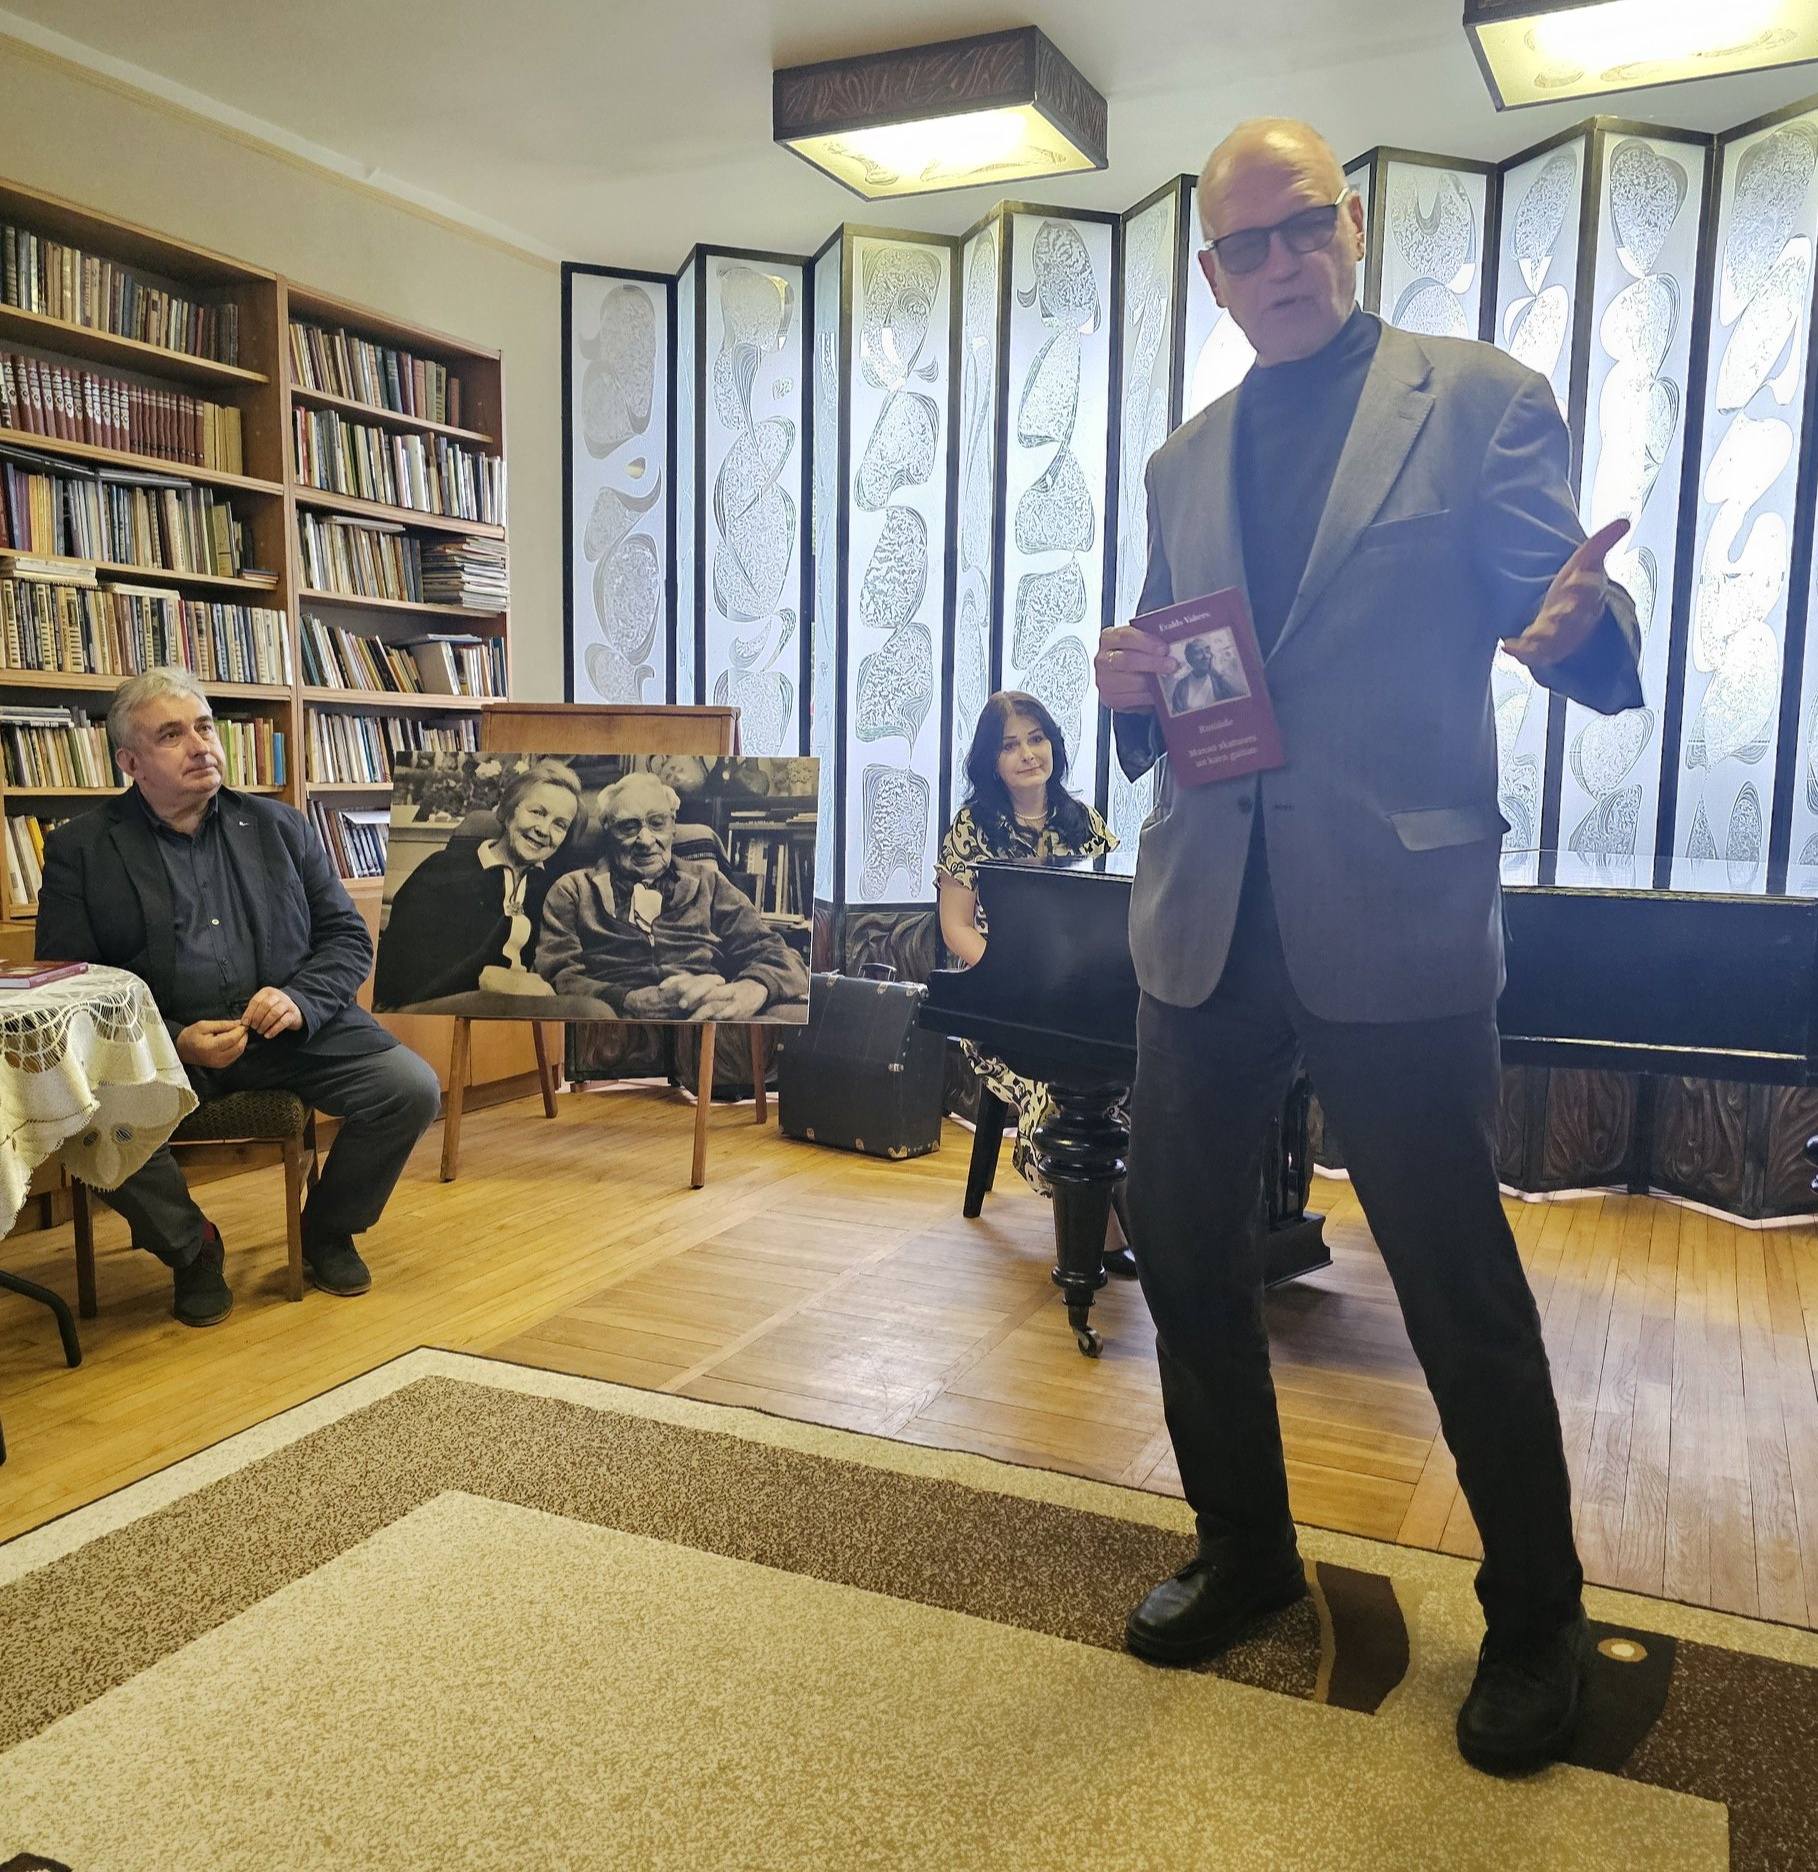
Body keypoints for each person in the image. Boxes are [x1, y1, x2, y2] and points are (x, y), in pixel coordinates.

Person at [1095, 119, 1641, 1774]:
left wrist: (1575, 638)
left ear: (1351, 226)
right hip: (1207, 913)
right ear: (1210, 275)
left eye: (1300, 229)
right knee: (1179, 1239)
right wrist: (1124, 694)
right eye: (1241, 246)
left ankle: (1534, 1617)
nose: (1276, 263)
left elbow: (1569, 603)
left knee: (1451, 1276)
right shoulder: (1180, 462)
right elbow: (1171, 680)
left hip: (1392, 913)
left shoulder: (1475, 402)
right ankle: (1246, 1550)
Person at [36, 667, 443, 1326]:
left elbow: (346, 938)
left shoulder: (281, 827)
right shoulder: (81, 849)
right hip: (158, 1051)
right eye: (173, 735)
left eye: (205, 727)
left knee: (409, 1088)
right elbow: (69, 984)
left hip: (291, 1034)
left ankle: (327, 1231)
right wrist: (175, 1038)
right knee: (82, 1114)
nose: (201, 746)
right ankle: (191, 1248)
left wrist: (300, 998)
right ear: (130, 762)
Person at [935, 693, 1132, 1271]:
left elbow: (1113, 912)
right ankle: (1099, 1239)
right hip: (1004, 1005)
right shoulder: (972, 828)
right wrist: (1015, 975)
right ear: (990, 761)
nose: (1027, 754)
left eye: (1037, 738)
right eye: (1009, 745)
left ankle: (1139, 1210)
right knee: (1062, 1088)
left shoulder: (1083, 822)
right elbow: (955, 928)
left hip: (1081, 1000)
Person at [536, 770, 809, 1019]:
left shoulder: (709, 884)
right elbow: (557, 974)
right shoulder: (574, 889)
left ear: (673, 825)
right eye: (629, 827)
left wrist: (751, 989)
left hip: (706, 1014)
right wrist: (627, 999)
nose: (646, 841)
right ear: (608, 831)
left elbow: (779, 954)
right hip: (617, 1018)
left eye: (657, 823)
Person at [375, 759, 583, 1009]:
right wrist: (487, 978)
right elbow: (398, 968)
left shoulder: (549, 887)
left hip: (521, 1008)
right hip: (437, 1005)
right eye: (537, 812)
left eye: (560, 824)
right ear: (509, 811)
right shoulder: (445, 868)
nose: (544, 829)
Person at [1167, 635, 1240, 712]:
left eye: (1207, 651)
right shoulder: (1181, 686)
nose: (1206, 656)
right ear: (1189, 660)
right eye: (1198, 652)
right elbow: (1177, 713)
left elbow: (1239, 699)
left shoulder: (1219, 679)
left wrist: (1217, 675)